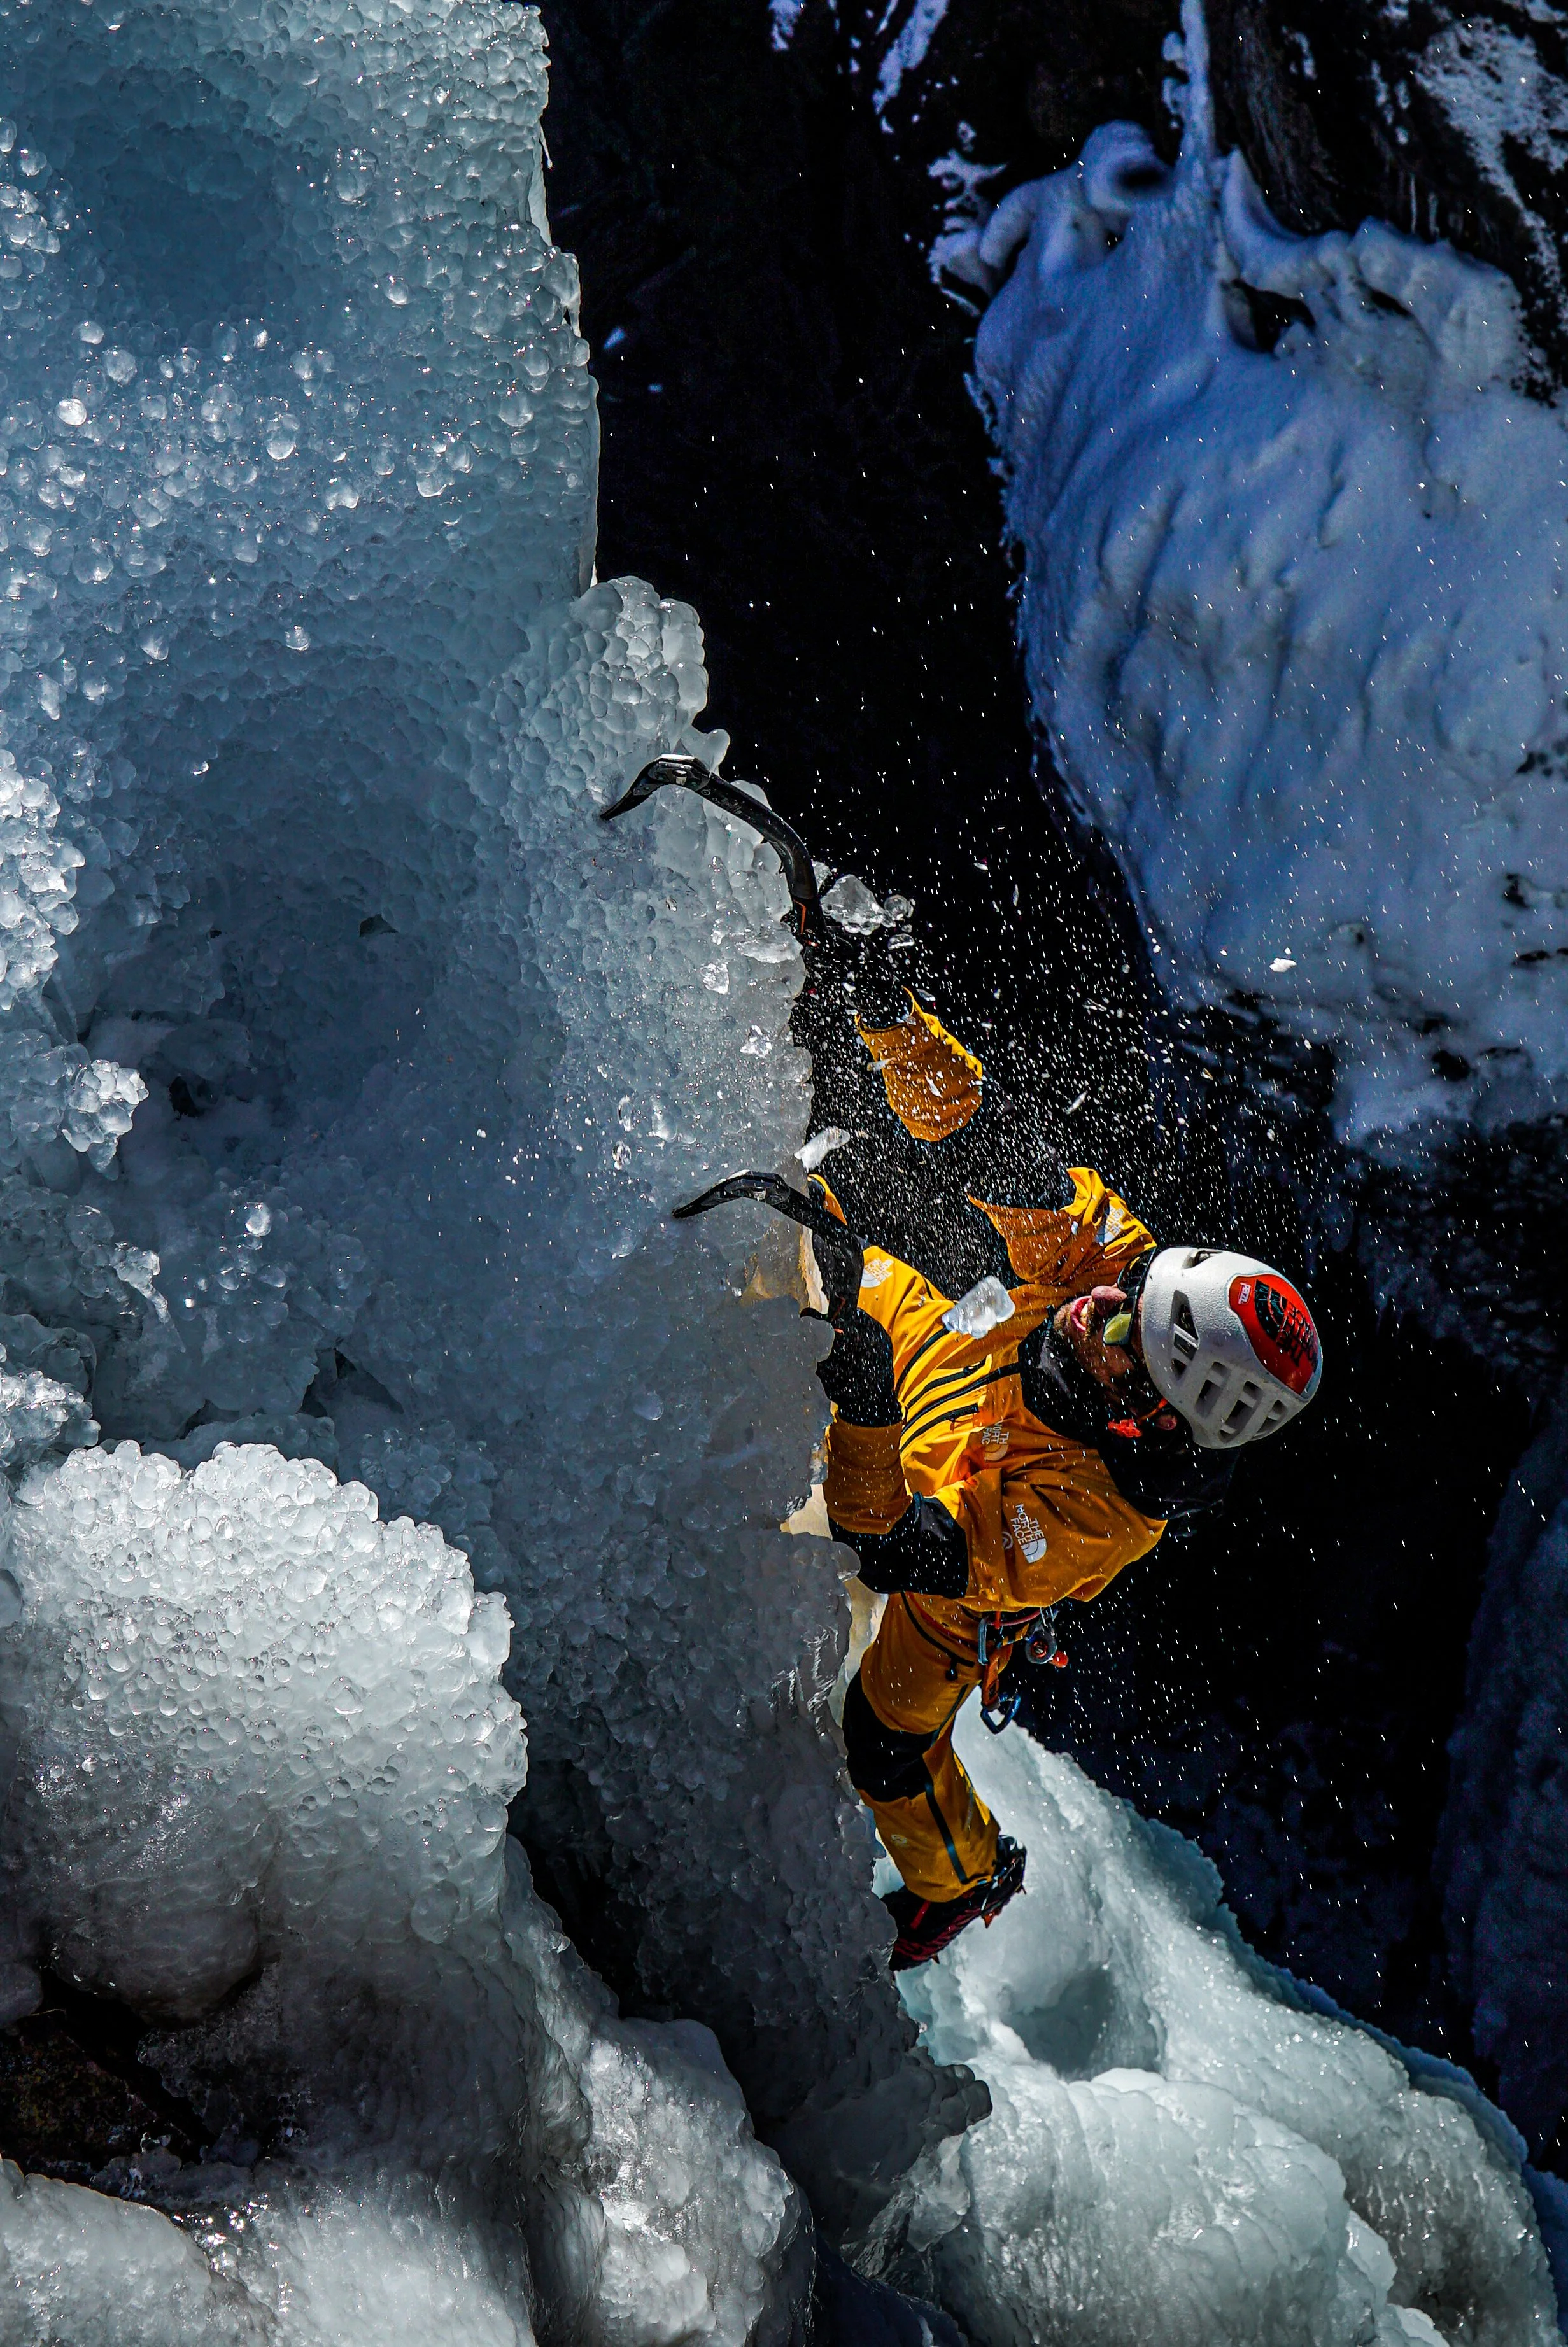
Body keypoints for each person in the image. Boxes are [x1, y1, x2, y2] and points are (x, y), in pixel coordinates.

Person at [607, 756, 1324, 1971]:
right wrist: (886, 1009)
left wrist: (864, 1401)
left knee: (884, 1739)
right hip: (961, 1357)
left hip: (955, 1538)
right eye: (1126, 1294)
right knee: (806, 1227)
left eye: (1118, 1333)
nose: (1096, 1302)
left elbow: (891, 1543)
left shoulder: (1089, 1522)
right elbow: (995, 1141)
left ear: (1152, 1412)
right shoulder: (1125, 1285)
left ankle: (965, 1873)